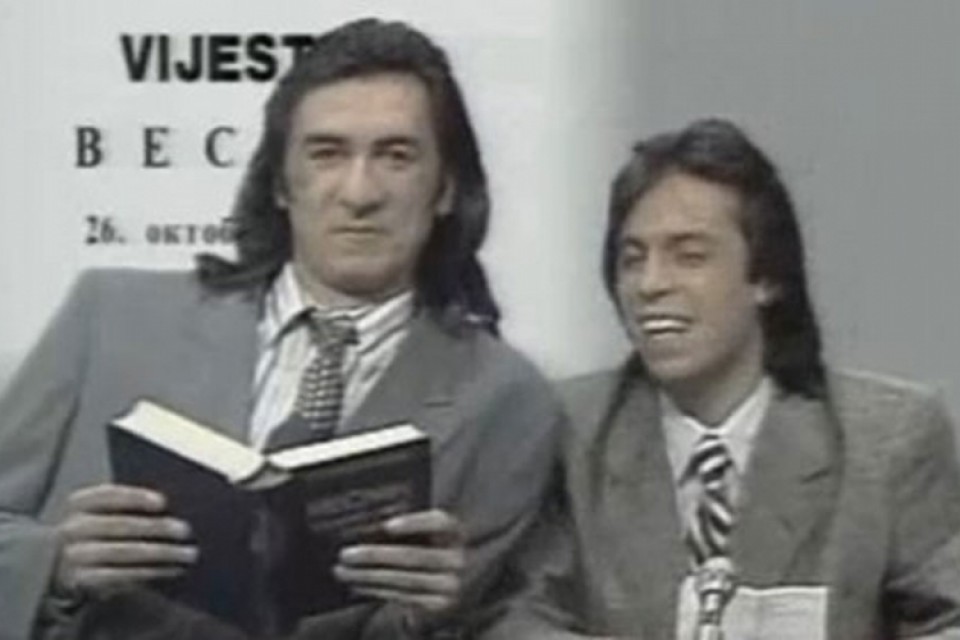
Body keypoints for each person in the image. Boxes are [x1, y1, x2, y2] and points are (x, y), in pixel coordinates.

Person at [0, 18, 562, 640]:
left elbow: (496, 618)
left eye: (396, 156)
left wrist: (430, 619)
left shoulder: (506, 400)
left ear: (447, 188)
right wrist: (54, 566)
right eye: (327, 153)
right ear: (279, 183)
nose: (360, 192)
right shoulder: (109, 315)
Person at [485, 118, 960, 639]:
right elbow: (519, 616)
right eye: (632, 259)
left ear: (766, 277)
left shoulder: (888, 441)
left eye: (689, 257)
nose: (650, 284)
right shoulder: (568, 432)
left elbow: (947, 622)